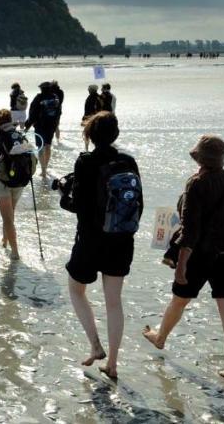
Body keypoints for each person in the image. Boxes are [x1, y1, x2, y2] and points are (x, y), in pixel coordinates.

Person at [143, 135, 224, 384]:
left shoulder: (196, 183)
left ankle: (160, 337)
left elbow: (190, 231)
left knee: (179, 301)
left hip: (200, 254)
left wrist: (181, 265)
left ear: (199, 159)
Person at [58, 111, 139, 380]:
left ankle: (95, 345)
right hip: (122, 239)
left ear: (90, 135)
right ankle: (113, 363)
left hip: (90, 239)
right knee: (114, 302)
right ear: (115, 134)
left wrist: (62, 194)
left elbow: (78, 205)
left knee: (76, 289)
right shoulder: (128, 161)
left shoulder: (86, 161)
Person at [0, 109, 35, 260]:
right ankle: (4, 241)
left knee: (7, 218)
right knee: (10, 213)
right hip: (20, 182)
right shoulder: (20, 135)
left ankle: (15, 252)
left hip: (2, 182)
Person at [25, 81, 63, 178]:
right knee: (48, 146)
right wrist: (55, 124)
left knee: (40, 147)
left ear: (41, 89)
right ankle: (45, 167)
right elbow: (59, 112)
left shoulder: (38, 98)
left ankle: (43, 170)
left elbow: (32, 113)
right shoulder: (55, 98)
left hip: (40, 126)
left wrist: (27, 125)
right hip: (51, 126)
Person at [81, 85, 100, 151]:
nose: (88, 90)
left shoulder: (92, 97)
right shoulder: (99, 97)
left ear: (92, 90)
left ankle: (87, 149)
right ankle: (94, 148)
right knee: (95, 134)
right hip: (96, 118)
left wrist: (84, 118)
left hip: (90, 118)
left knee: (87, 134)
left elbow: (88, 109)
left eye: (89, 89)